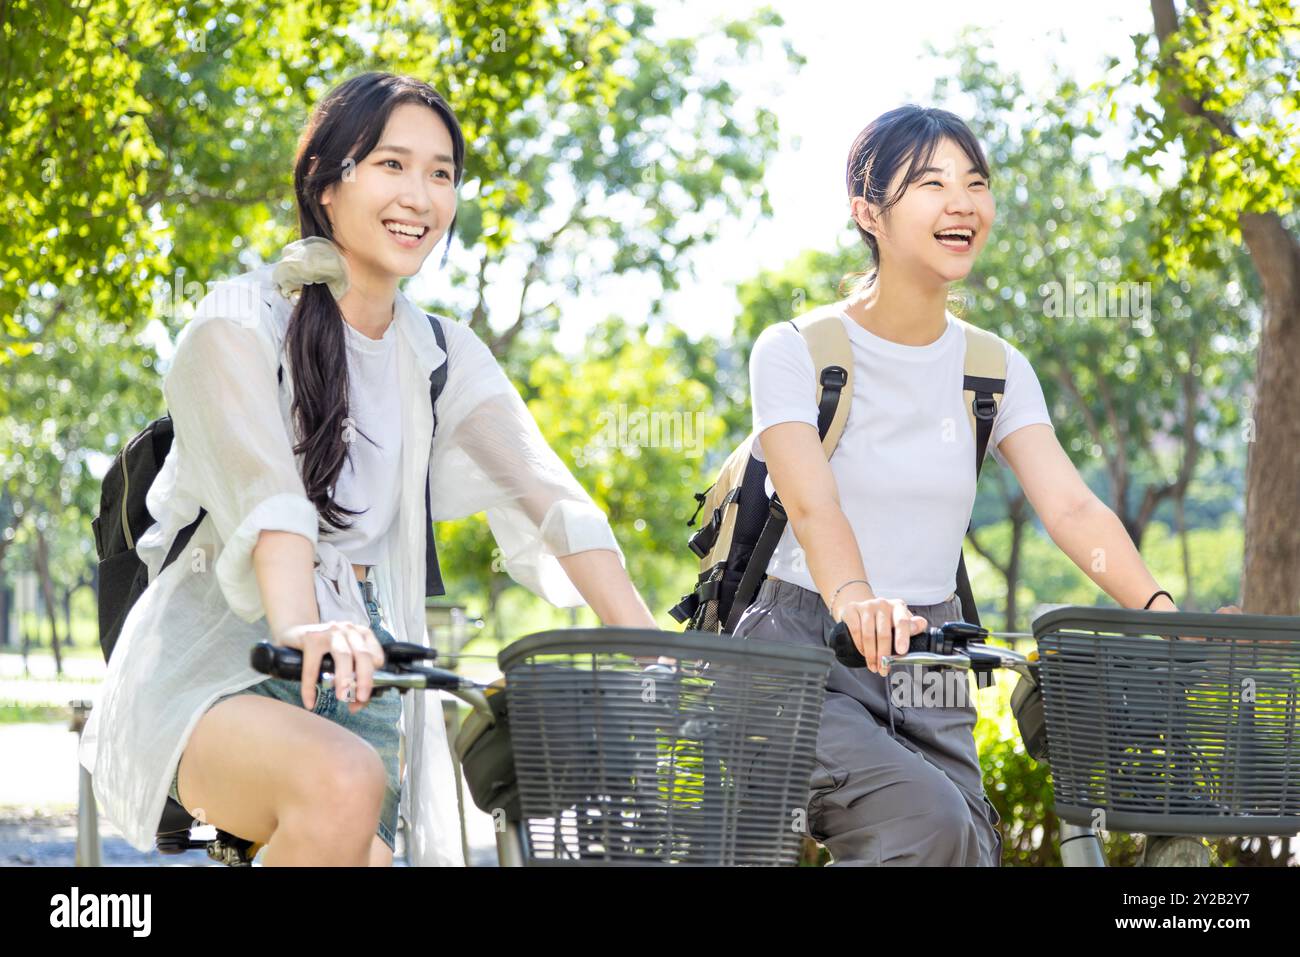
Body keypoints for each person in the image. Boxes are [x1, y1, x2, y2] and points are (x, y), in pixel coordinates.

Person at [77, 72, 657, 867]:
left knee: (351, 814)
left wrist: (646, 637)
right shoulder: (237, 321)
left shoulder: (443, 353)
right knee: (341, 782)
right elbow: (268, 498)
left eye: (442, 173)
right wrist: (299, 623)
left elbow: (552, 497)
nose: (420, 193)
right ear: (325, 181)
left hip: (367, 676)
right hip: (223, 667)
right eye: (391, 164)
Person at [730, 105, 1240, 866]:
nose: (962, 201)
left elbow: (1069, 506)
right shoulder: (798, 350)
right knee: (927, 822)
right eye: (931, 183)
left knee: (968, 843)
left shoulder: (993, 369)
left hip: (933, 659)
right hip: (803, 651)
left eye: (976, 182)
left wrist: (1161, 611)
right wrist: (856, 599)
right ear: (867, 210)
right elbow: (811, 501)